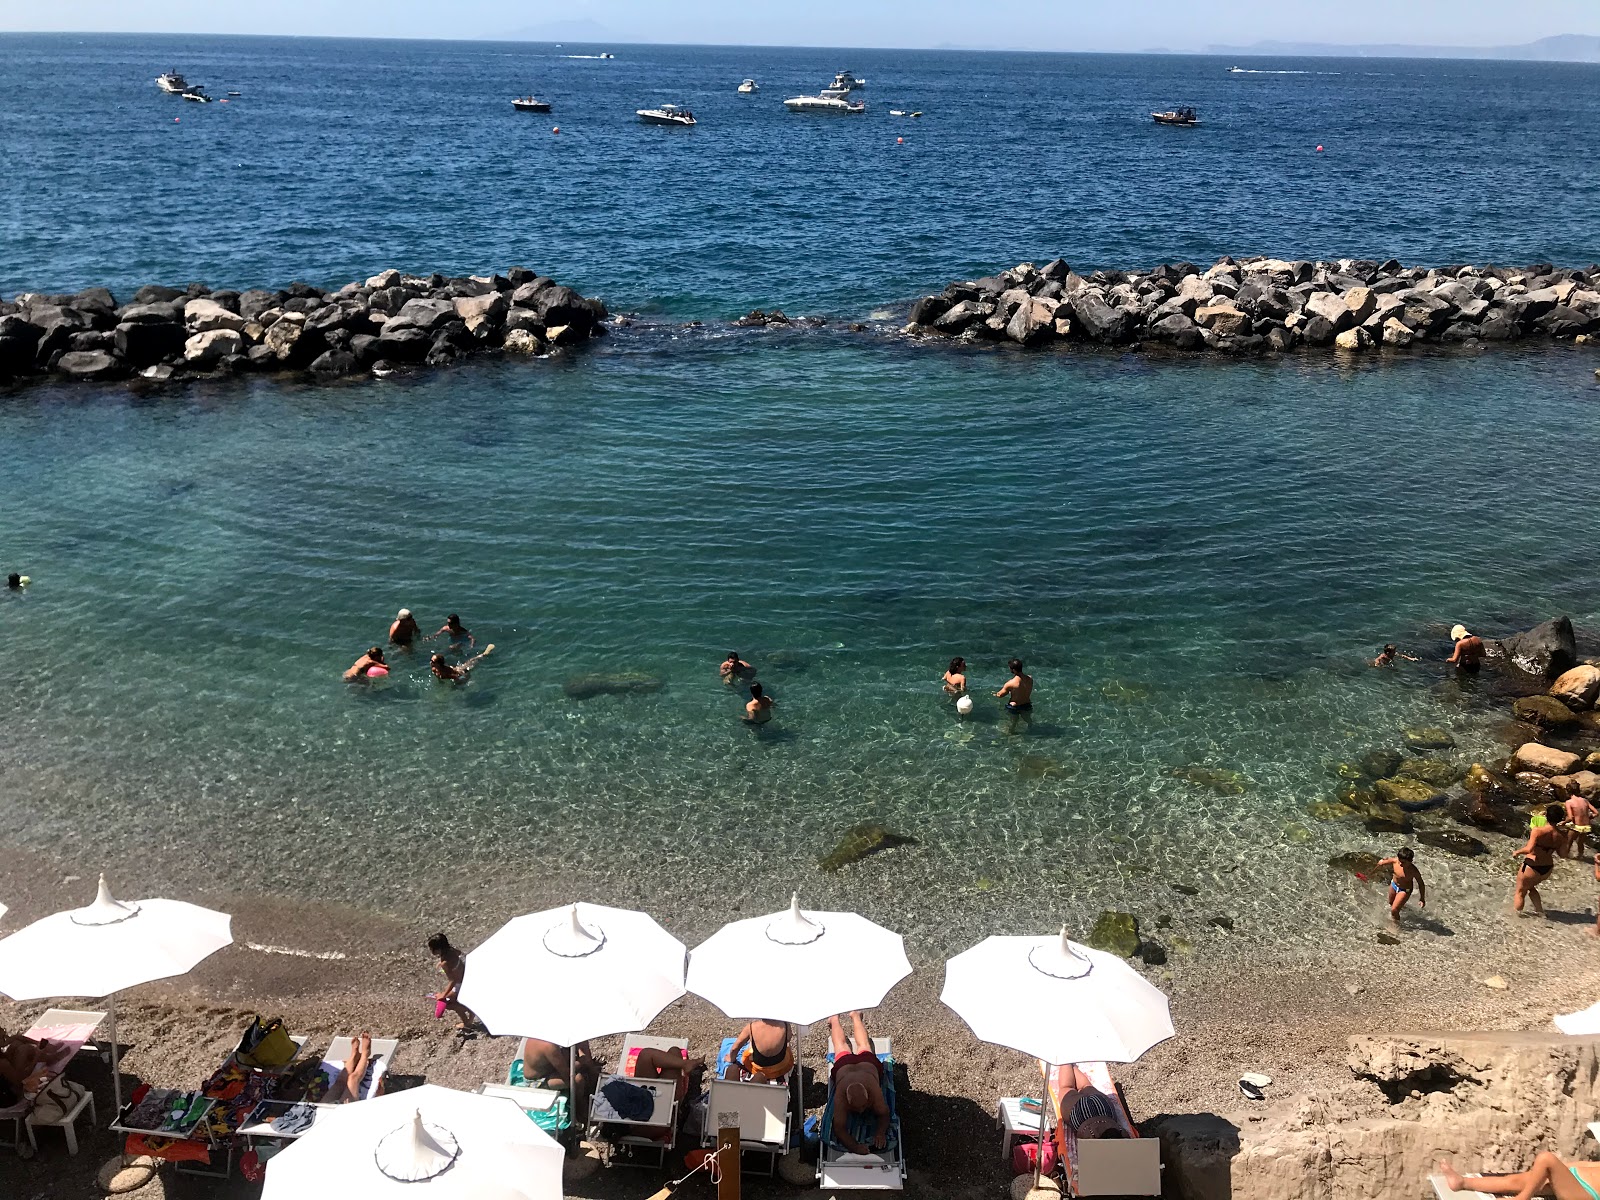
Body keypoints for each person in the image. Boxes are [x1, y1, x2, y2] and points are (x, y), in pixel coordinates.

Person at [829, 1012, 890, 1153]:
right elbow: (839, 1128)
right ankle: (843, 1019)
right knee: (859, 1045)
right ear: (847, 1099)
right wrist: (854, 1146)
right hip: (852, 1068)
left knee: (844, 1046)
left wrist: (880, 1132)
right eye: (858, 1107)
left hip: (864, 1066)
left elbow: (884, 1113)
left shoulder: (873, 1089)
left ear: (868, 1094)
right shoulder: (841, 1096)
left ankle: (846, 1018)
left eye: (863, 1105)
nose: (861, 1110)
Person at [1436, 1153, 1600, 1200]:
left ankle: (1523, 1198)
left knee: (1546, 1159)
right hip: (1577, 1175)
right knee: (1514, 1180)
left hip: (1586, 1192)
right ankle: (1462, 1182)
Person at [520, 1037, 598, 1113]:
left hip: (550, 1069)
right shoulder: (549, 1045)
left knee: (580, 1043)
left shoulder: (545, 1037)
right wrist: (581, 1060)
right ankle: (579, 1109)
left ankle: (594, 1078)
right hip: (538, 1081)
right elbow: (567, 1074)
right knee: (577, 1080)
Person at [1513, 805, 1567, 917]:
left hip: (1532, 866)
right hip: (1547, 868)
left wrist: (1517, 852)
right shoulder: (1562, 835)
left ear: (1546, 816)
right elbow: (1563, 855)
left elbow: (1529, 849)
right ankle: (1540, 912)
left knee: (1520, 892)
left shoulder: (1538, 831)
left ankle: (1516, 918)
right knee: (1530, 887)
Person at [1055, 1063, 1128, 1140]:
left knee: (1086, 1086)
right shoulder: (1095, 1147)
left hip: (1103, 1109)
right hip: (1083, 1117)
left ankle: (1071, 1064)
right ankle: (1066, 1063)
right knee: (1066, 1087)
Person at [425, 932, 476, 1032]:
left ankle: (470, 1011)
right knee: (452, 1000)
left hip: (460, 984)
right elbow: (459, 953)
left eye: (431, 949)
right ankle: (467, 1022)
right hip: (466, 977)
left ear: (438, 949)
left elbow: (453, 980)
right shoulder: (451, 950)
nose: (430, 951)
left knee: (447, 1003)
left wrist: (444, 994)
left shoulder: (445, 963)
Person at [724, 1019, 794, 1083]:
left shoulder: (751, 1027)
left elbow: (735, 1048)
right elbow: (788, 1039)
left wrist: (731, 1058)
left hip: (758, 1068)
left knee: (751, 1047)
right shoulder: (785, 1025)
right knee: (787, 1047)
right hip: (779, 1067)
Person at [631, 1045, 705, 1104]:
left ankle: (686, 1064)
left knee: (674, 1050)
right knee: (646, 1054)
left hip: (645, 1095)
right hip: (642, 1107)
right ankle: (686, 1064)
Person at [323, 1032, 381, 1104]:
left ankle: (354, 1056)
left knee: (340, 1081)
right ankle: (365, 1054)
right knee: (353, 1079)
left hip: (323, 1108)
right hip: (341, 1111)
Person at [1376, 847, 1426, 924]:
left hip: (1405, 890)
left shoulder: (1414, 871)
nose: (1400, 864)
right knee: (1391, 903)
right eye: (1400, 861)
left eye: (1404, 862)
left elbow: (1421, 884)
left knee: (1394, 910)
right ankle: (1401, 907)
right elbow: (1388, 860)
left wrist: (1422, 898)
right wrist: (1382, 862)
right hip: (1394, 885)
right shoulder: (1396, 861)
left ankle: (1396, 925)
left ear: (1411, 861)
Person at [430, 645, 494, 682]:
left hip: (461, 672)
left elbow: (457, 678)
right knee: (469, 662)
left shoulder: (445, 673)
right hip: (456, 669)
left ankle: (484, 654)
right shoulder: (434, 669)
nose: (430, 662)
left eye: (433, 662)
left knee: (472, 663)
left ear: (438, 664)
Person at [1565, 792, 1594, 859]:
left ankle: (1565, 858)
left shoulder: (1569, 802)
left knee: (1568, 842)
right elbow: (1596, 813)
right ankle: (1580, 856)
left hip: (1577, 826)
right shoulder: (1585, 800)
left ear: (1568, 792)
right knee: (1580, 843)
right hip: (1586, 826)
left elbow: (1570, 817)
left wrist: (1563, 822)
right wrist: (1589, 817)